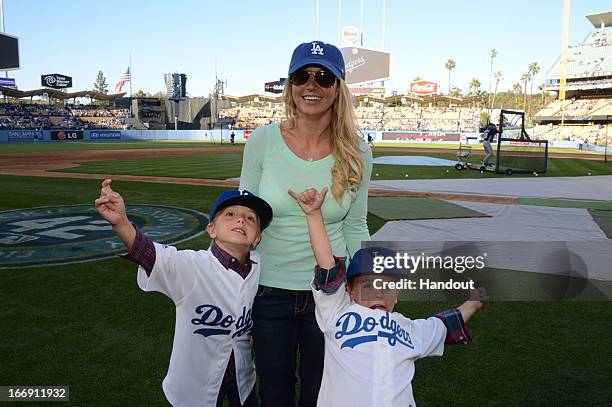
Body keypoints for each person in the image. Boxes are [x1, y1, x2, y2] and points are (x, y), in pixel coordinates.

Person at [239, 40, 372, 407]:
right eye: (302, 76)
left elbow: (356, 225)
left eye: (323, 76)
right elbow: (244, 215)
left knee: (323, 395)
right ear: (290, 85)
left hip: (332, 293)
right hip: (269, 291)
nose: (311, 85)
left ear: (337, 88)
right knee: (275, 395)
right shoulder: (262, 141)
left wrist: (367, 284)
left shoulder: (358, 151)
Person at [289, 186, 485, 407]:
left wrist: (473, 302)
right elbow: (328, 267)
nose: (379, 291)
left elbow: (442, 326)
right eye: (368, 285)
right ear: (350, 291)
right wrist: (314, 215)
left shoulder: (408, 327)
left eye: (387, 286)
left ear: (397, 294)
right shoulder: (337, 311)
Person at [94, 179, 273, 407]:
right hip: (194, 386)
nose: (240, 219)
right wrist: (121, 224)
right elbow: (149, 254)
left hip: (243, 380)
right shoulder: (191, 265)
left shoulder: (257, 265)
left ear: (257, 237)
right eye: (229, 214)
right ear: (211, 229)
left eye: (250, 218)